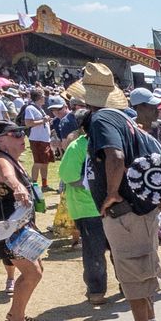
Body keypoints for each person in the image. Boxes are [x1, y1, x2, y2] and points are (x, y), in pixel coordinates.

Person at [88, 81, 161, 321]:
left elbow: (115, 156)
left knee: (133, 273)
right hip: (139, 211)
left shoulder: (103, 118)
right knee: (142, 269)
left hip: (126, 212)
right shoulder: (129, 123)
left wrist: (111, 194)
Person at [0, 122, 45, 321]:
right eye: (16, 134)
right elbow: (8, 177)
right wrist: (18, 188)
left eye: (22, 133)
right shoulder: (1, 159)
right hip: (8, 231)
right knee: (32, 273)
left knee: (36, 271)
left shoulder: (10, 159)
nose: (22, 137)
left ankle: (16, 314)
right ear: (0, 139)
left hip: (20, 227)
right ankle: (16, 320)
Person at [58, 111, 110, 303]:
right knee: (94, 251)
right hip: (87, 208)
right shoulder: (77, 146)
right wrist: (94, 185)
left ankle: (126, 285)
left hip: (109, 205)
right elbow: (69, 176)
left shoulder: (107, 143)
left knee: (117, 248)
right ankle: (96, 290)